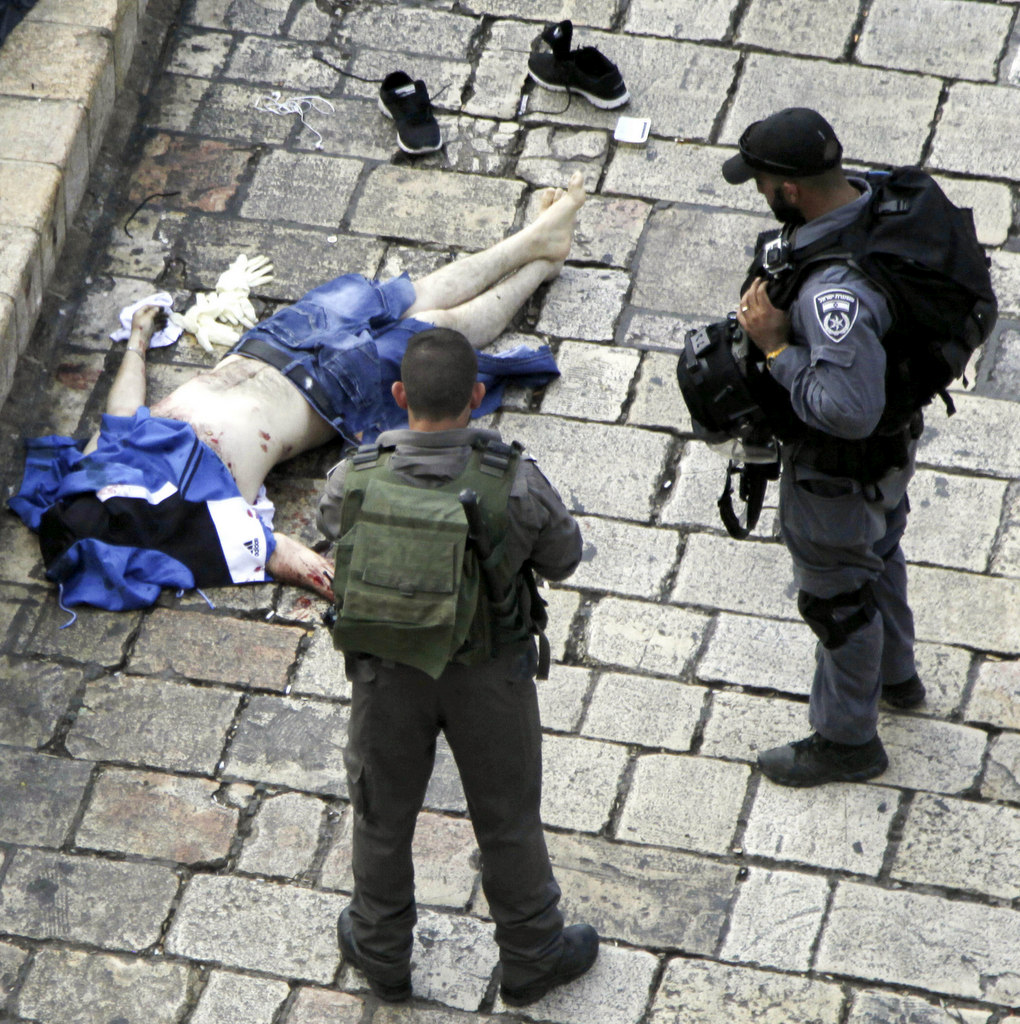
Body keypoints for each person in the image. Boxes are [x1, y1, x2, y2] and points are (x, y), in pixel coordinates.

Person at [9, 173, 587, 611]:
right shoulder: (190, 532)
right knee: (440, 331)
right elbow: (292, 559)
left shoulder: (94, 471)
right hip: (328, 392)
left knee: (404, 296)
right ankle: (542, 262)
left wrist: (137, 339)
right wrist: (376, 602)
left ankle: (532, 242)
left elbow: (120, 410)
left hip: (272, 346)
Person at [316, 328, 598, 1007]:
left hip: (387, 675)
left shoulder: (354, 476)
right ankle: (533, 952)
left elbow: (331, 534)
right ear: (477, 395)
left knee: (381, 815)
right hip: (489, 674)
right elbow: (563, 557)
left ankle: (382, 951)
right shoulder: (515, 482)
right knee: (506, 817)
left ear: (398, 396)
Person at [721, 108, 925, 787]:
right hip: (892, 456)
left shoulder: (834, 295)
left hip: (839, 472)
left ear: (790, 190)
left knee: (838, 599)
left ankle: (847, 742)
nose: (759, 194)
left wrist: (775, 345)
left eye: (761, 183)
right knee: (880, 548)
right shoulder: (873, 198)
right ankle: (898, 677)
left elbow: (847, 411)